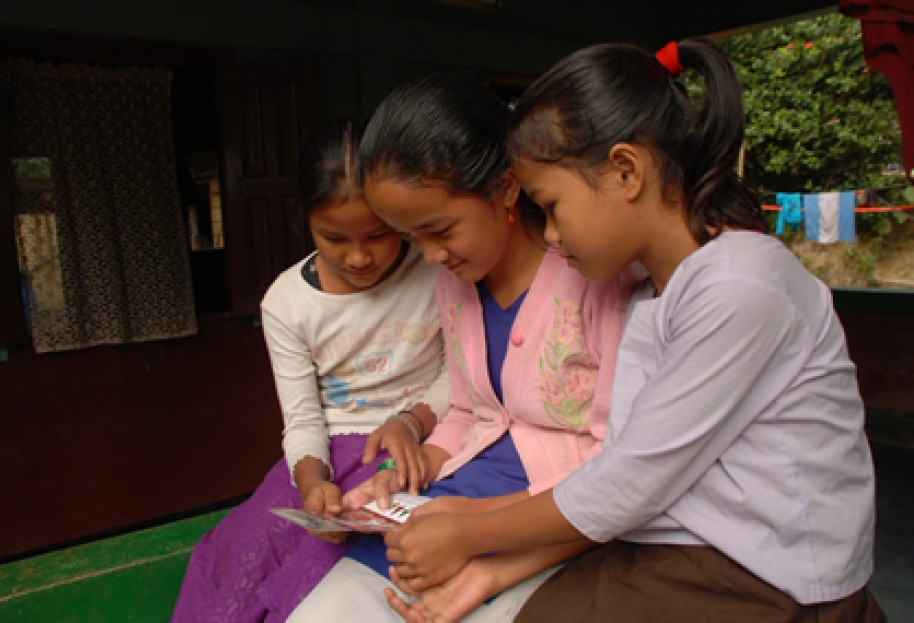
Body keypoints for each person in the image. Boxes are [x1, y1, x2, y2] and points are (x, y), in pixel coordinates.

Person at [382, 39, 887, 623]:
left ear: (626, 171)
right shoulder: (653, 290)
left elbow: (627, 485)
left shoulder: (740, 286)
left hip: (775, 572)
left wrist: (473, 535)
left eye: (551, 206)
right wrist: (488, 563)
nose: (548, 235)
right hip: (686, 545)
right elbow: (628, 483)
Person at [287, 73, 639, 622]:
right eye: (410, 237)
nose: (428, 256)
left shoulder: (594, 276)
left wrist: (471, 531)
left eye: (440, 230)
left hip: (549, 527)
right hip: (450, 509)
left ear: (505, 188)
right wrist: (412, 475)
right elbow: (472, 412)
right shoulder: (457, 281)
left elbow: (622, 465)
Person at [171, 117, 449, 623]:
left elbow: (465, 373)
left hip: (420, 442)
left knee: (323, 565)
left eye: (379, 234)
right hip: (329, 449)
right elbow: (302, 418)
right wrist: (312, 482)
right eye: (334, 237)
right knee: (238, 554)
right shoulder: (287, 303)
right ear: (306, 221)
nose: (359, 256)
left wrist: (411, 423)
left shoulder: (437, 270)